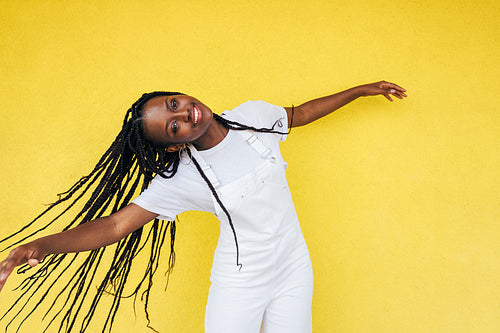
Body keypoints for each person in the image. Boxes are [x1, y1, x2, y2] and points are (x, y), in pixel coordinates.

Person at [0, 81, 406, 332]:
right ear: (175, 144)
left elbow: (298, 114)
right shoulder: (183, 177)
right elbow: (114, 226)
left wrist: (359, 91)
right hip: (241, 280)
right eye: (173, 126)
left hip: (294, 265)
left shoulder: (254, 116)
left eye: (174, 104)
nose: (184, 115)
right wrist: (38, 247)